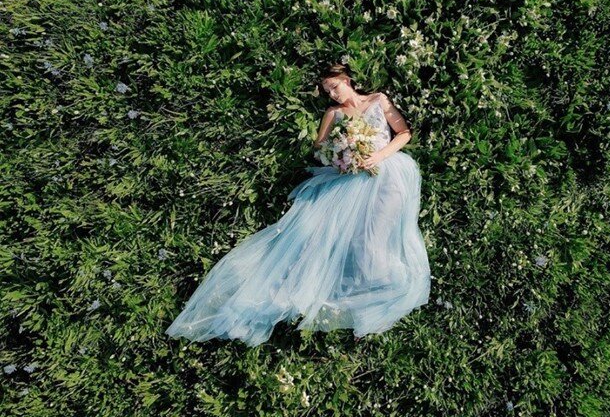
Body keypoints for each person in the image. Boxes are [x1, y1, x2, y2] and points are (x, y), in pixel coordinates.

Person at [164, 63, 431, 346]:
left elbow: (404, 133)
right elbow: (320, 148)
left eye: (335, 87)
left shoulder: (378, 100)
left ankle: (380, 291)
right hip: (351, 179)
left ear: (347, 79)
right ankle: (353, 300)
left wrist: (379, 156)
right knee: (322, 239)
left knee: (374, 239)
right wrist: (343, 155)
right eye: (328, 92)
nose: (333, 95)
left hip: (388, 174)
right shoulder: (334, 113)